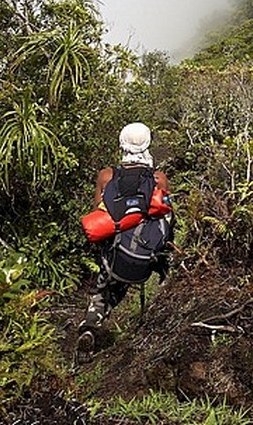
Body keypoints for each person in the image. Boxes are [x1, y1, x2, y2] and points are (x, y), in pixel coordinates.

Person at [78, 123, 173, 346]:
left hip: (114, 257)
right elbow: (167, 220)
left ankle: (91, 324)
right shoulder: (159, 179)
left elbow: (98, 216)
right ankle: (164, 277)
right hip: (146, 262)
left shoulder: (106, 177)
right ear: (148, 143)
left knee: (105, 288)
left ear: (122, 143)